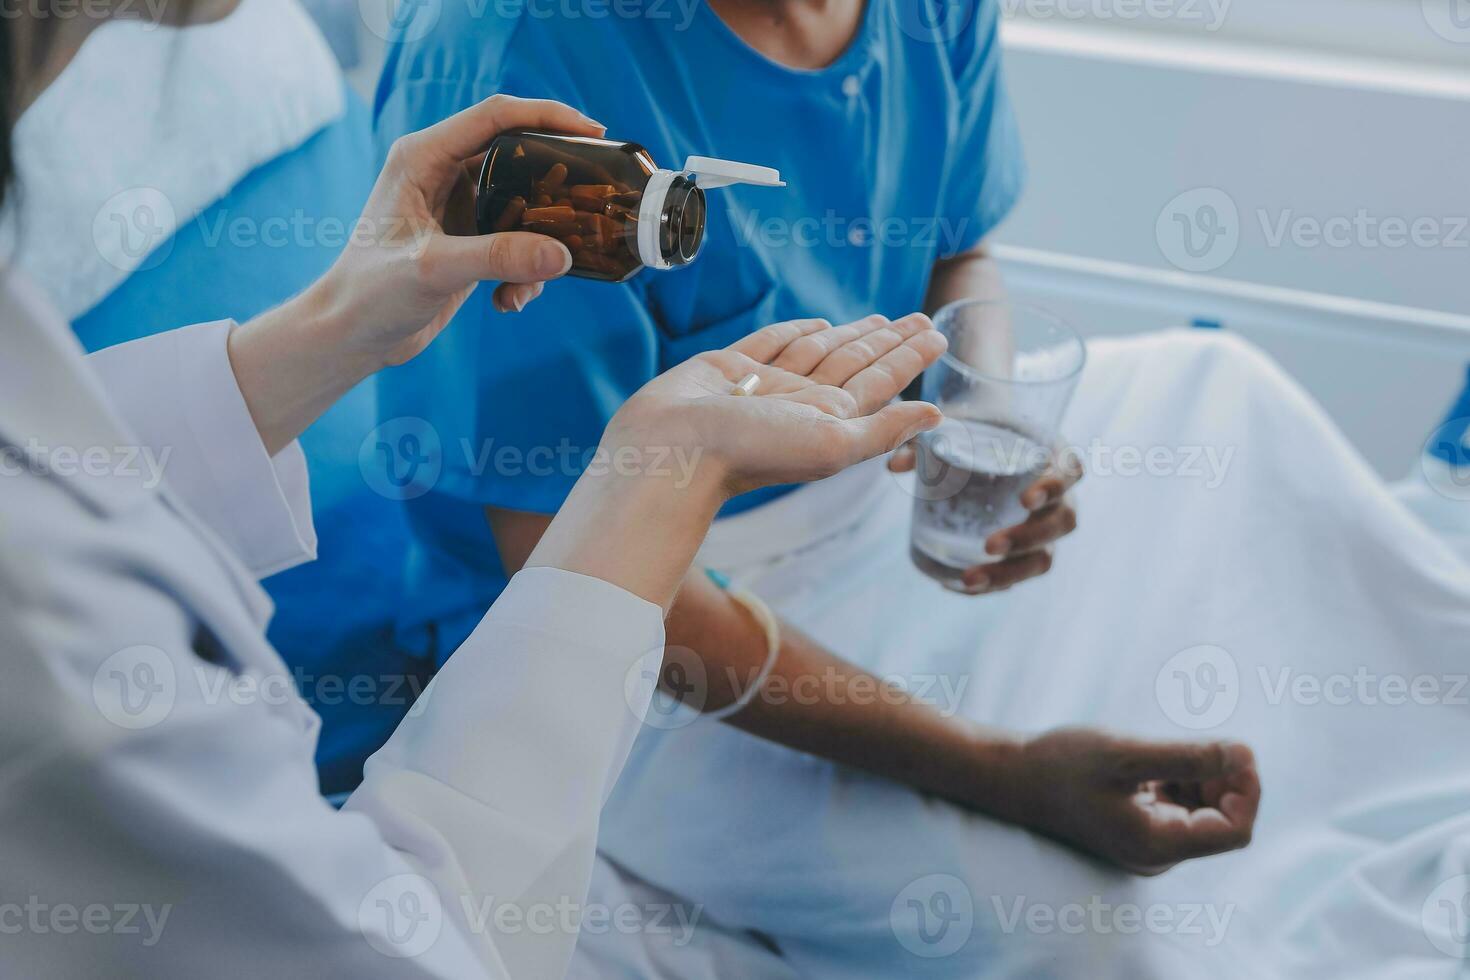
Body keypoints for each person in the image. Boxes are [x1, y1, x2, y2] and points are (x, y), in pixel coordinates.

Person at [0, 5, 953, 975]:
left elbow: (55, 458)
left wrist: (337, 323)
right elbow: (413, 945)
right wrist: (672, 464)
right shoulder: (55, 661)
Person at [372, 0, 1260, 900]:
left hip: (866, 477)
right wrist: (1002, 771)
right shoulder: (520, 54)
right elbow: (573, 557)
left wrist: (983, 425)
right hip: (634, 601)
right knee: (1077, 918)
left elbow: (958, 251)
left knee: (1224, 388)